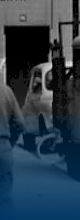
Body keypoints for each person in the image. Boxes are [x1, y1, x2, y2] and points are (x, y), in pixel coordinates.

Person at [0, 80, 25, 209]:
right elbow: (20, 123)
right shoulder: (6, 91)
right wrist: (9, 143)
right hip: (2, 148)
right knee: (4, 198)